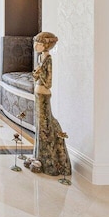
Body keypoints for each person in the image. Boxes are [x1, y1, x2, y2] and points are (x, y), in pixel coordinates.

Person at [32, 31, 71, 176]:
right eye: (36, 42)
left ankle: (49, 160)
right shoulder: (41, 57)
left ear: (46, 45)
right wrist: (36, 73)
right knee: (39, 125)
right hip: (37, 92)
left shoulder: (48, 59)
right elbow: (37, 75)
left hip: (43, 95)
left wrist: (39, 72)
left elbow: (48, 82)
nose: (36, 46)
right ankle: (39, 156)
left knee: (46, 125)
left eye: (39, 43)